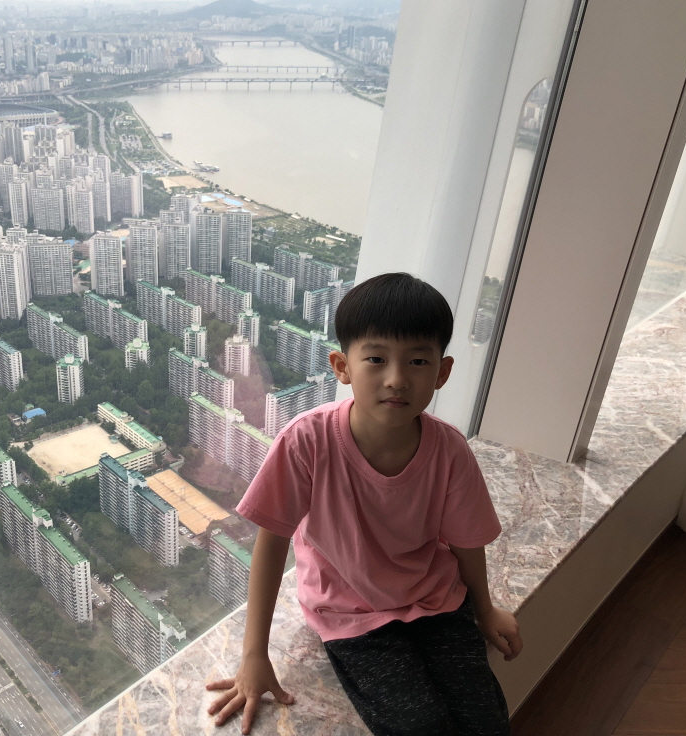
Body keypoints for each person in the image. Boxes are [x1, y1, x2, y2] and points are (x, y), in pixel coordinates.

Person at [206, 272, 523, 736]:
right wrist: (254, 656)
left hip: (435, 596)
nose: (397, 379)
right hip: (349, 608)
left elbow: (467, 542)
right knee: (419, 726)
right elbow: (271, 544)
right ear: (342, 366)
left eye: (418, 361)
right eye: (376, 359)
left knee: (486, 720)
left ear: (442, 372)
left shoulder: (450, 450)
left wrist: (485, 608)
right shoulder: (307, 441)